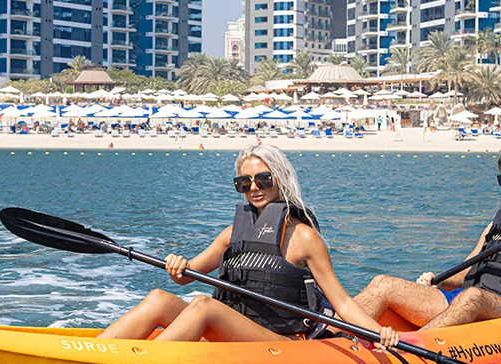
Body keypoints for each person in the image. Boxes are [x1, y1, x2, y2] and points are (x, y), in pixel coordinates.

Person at [100, 145, 398, 347]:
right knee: (158, 299)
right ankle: (89, 354)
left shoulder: (304, 237)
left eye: (263, 180)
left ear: (280, 180)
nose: (254, 188)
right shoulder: (233, 234)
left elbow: (342, 302)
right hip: (233, 331)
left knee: (204, 306)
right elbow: (186, 274)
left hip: (280, 341)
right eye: (245, 182)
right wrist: (179, 265)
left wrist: (378, 332)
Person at [355, 144, 501, 329]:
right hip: (469, 297)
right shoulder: (496, 223)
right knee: (383, 283)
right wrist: (437, 281)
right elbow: (469, 268)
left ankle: (409, 349)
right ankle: (328, 334)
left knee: (472, 296)